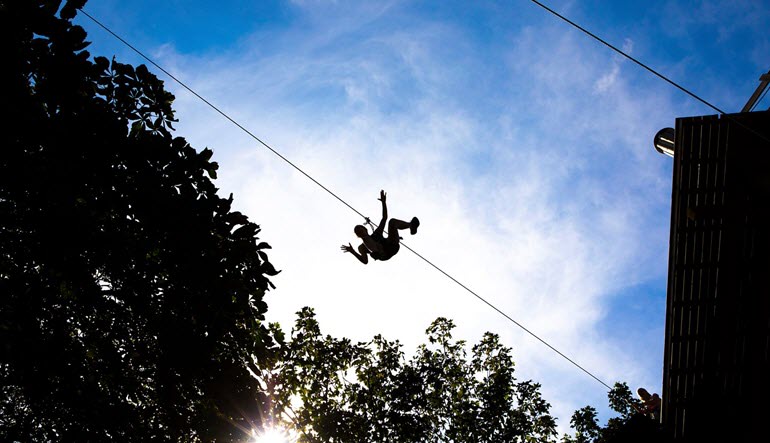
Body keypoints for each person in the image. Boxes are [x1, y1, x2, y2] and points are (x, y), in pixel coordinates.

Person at [341, 190, 419, 265]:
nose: (358, 231)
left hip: (391, 245)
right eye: (357, 231)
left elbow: (384, 218)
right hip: (384, 253)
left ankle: (411, 225)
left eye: (359, 229)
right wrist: (353, 252)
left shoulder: (376, 233)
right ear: (357, 235)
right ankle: (379, 251)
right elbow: (365, 261)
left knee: (392, 222)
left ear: (365, 229)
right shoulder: (362, 247)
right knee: (367, 244)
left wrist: (383, 203)